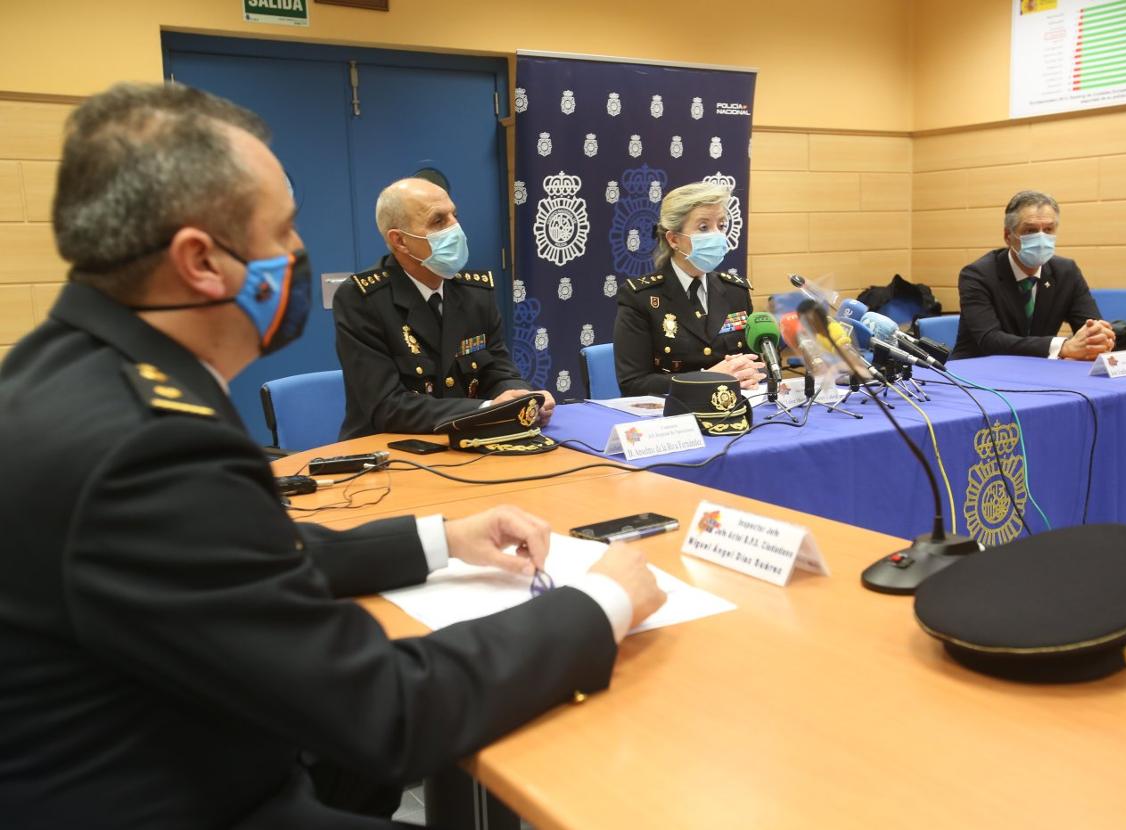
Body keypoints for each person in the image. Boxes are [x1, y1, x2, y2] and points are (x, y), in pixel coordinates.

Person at [0, 82, 664, 829]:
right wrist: (599, 604)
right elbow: (388, 710)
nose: (298, 255)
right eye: (283, 232)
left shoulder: (72, 369)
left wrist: (441, 539)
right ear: (200, 261)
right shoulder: (148, 442)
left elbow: (242, 555)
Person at [334, 177, 555, 439]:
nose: (456, 227)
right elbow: (387, 406)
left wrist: (519, 397)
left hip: (466, 447)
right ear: (400, 241)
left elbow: (498, 370)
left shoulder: (475, 292)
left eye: (454, 215)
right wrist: (486, 409)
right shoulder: (362, 299)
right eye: (438, 221)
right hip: (388, 454)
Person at [613, 182, 764, 396]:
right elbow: (633, 383)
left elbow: (757, 363)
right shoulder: (640, 297)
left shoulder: (735, 291)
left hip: (734, 409)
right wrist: (709, 378)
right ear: (674, 239)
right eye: (704, 227)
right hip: (672, 417)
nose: (717, 235)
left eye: (721, 226)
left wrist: (751, 372)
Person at [951, 190, 1115, 361]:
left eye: (1048, 229)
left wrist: (1098, 339)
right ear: (1008, 236)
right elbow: (990, 340)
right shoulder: (978, 275)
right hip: (977, 372)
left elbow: (1090, 326)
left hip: (1037, 371)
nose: (1041, 238)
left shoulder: (1066, 272)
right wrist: (1063, 347)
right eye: (1030, 230)